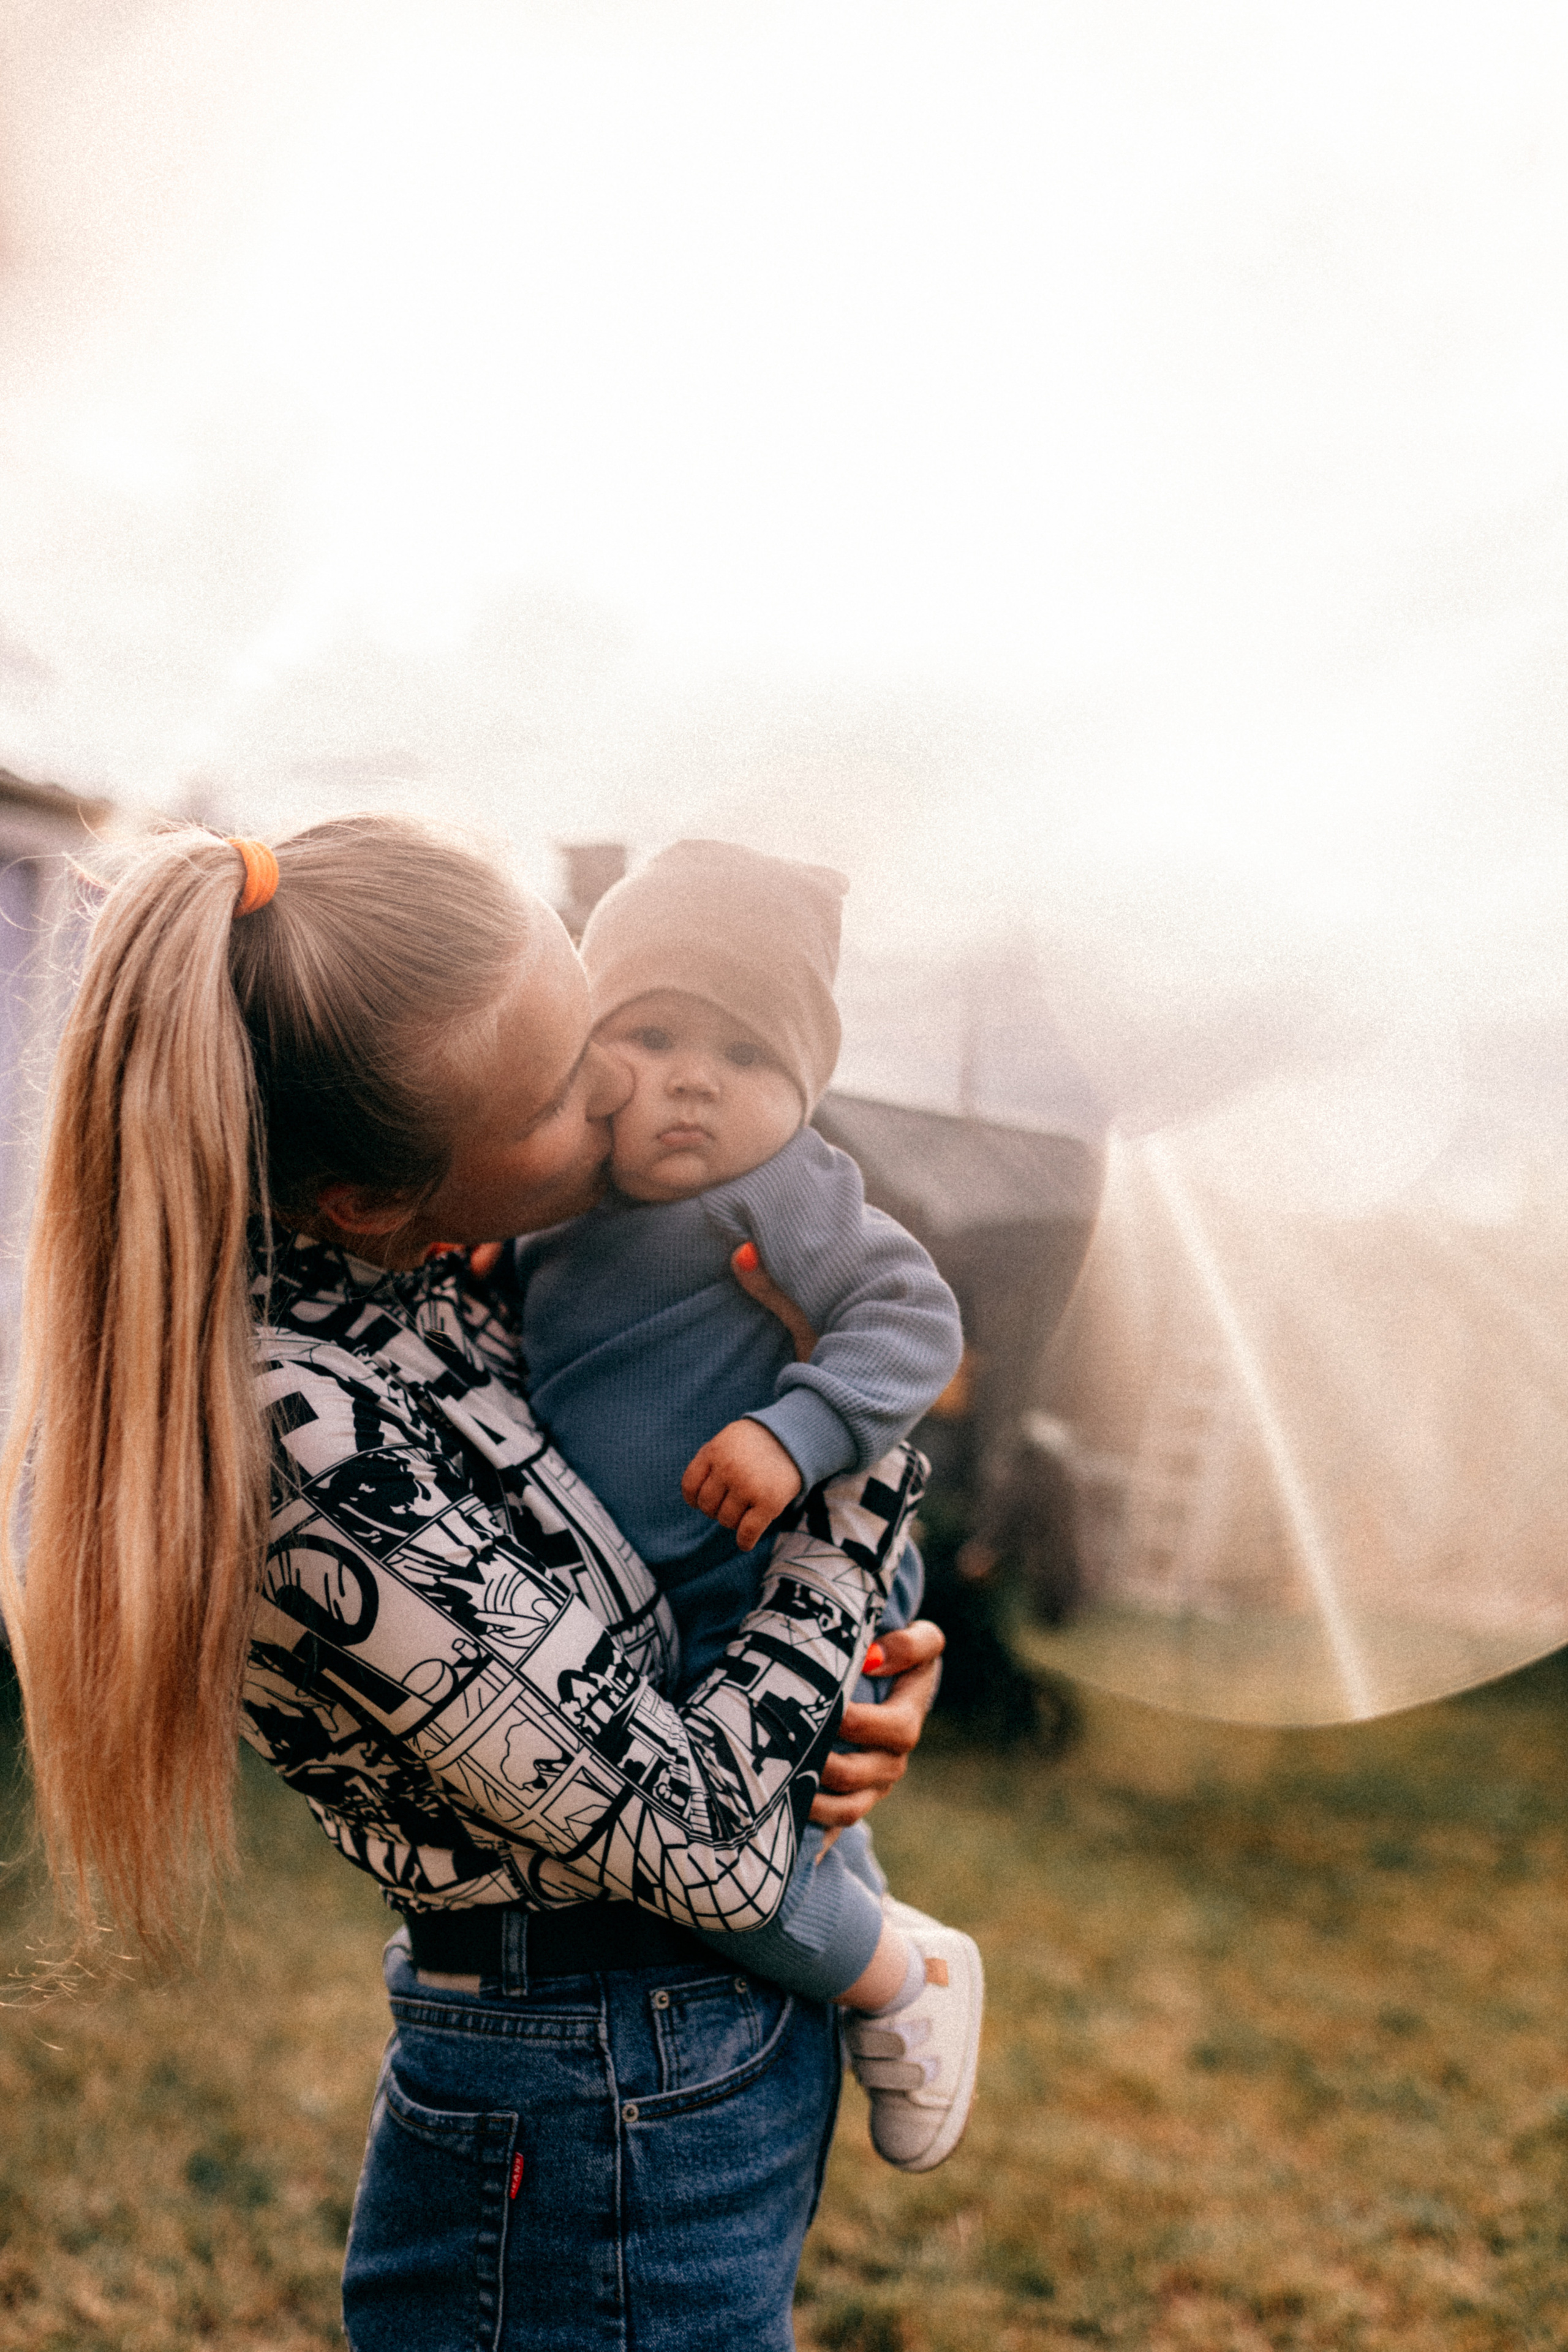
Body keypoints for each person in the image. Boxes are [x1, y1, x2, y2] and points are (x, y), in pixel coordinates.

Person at [0, 817, 945, 2352]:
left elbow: (650, 1613)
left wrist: (869, 1672)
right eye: (570, 1093)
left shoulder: (440, 1284)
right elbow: (697, 1840)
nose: (627, 1097)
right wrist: (862, 1494)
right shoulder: (295, 1437)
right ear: (378, 1196)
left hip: (682, 2042)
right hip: (592, 2088)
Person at [504, 839, 983, 2173]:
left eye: (748, 1058)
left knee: (732, 1839)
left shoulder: (789, 1191)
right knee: (766, 1827)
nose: (693, 1081)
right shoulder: (558, 1206)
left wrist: (798, 1426)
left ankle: (900, 1982)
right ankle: (881, 1953)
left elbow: (911, 1314)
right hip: (653, 1606)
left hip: (768, 1581)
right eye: (648, 1035)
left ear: (805, 1091)